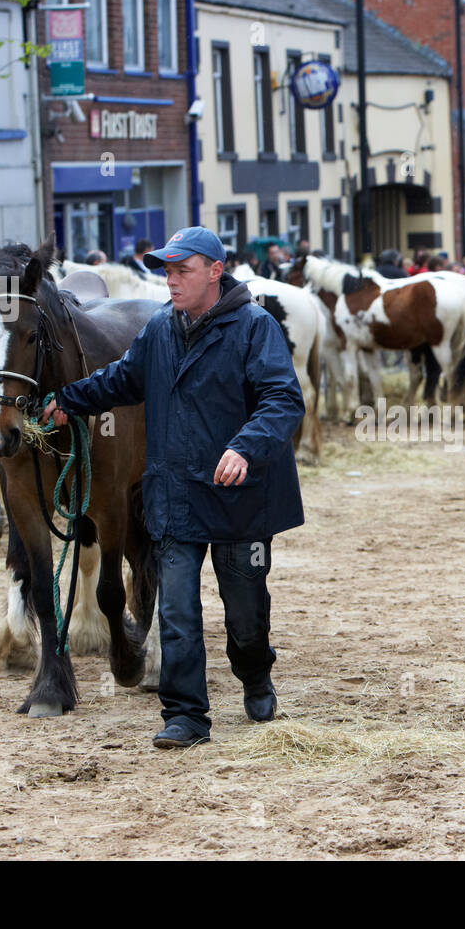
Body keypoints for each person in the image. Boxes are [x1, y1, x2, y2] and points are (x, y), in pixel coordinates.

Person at [39, 227, 305, 748]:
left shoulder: (255, 328)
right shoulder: (161, 328)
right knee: (176, 611)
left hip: (240, 499)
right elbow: (120, 379)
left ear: (215, 271)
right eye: (166, 270)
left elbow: (282, 399)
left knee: (246, 613)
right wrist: (68, 400)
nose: (171, 280)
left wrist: (245, 447)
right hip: (176, 495)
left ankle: (255, 676)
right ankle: (185, 716)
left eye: (182, 269)